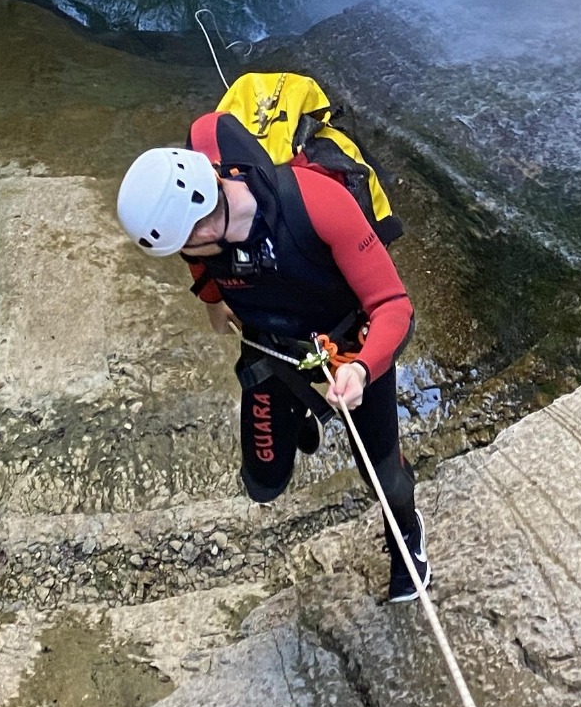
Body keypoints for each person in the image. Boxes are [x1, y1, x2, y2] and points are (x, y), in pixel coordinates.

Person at [116, 116, 429, 602]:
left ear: (201, 218)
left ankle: (407, 537)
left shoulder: (318, 205)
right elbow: (200, 262)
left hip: (348, 346)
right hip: (271, 349)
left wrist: (363, 368)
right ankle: (302, 414)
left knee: (381, 475)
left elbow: (393, 305)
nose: (184, 252)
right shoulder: (191, 226)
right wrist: (211, 298)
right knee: (263, 482)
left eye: (185, 242)